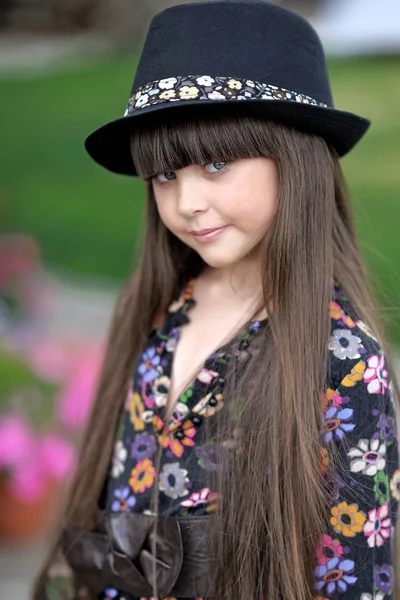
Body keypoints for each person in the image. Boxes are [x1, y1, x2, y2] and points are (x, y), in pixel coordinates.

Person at [33, 1, 400, 599]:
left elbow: (356, 580)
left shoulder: (345, 363)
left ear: (296, 160)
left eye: (217, 162)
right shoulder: (159, 312)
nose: (188, 202)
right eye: (164, 175)